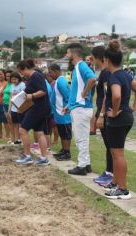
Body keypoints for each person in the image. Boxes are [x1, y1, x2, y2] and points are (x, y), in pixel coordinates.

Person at [101, 41, 135, 199]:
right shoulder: (127, 75)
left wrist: (114, 112)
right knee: (115, 153)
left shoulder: (114, 77)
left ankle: (123, 189)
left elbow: (116, 95)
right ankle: (115, 182)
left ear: (107, 60)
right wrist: (133, 106)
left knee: (118, 153)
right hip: (126, 117)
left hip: (118, 118)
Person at [65, 43, 97, 175]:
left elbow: (92, 79)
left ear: (71, 53)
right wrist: (70, 104)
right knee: (81, 137)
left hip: (81, 108)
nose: (67, 55)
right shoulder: (78, 67)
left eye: (67, 53)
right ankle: (87, 164)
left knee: (81, 138)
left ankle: (82, 165)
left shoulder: (81, 65)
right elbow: (75, 90)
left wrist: (84, 93)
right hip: (77, 106)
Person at [15, 59, 51, 166]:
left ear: (25, 68)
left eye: (21, 72)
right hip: (39, 107)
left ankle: (27, 156)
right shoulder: (32, 77)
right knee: (39, 133)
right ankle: (44, 158)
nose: (21, 75)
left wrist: (32, 96)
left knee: (22, 130)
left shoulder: (36, 76)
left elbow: (43, 91)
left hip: (38, 108)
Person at [89, 46, 114, 186]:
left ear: (98, 57)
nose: (92, 61)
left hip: (106, 113)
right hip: (104, 111)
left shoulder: (105, 73)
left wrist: (101, 115)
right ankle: (108, 171)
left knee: (111, 146)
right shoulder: (106, 72)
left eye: (92, 58)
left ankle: (110, 173)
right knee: (109, 145)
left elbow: (106, 95)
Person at [48, 64, 72, 161]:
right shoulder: (57, 81)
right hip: (58, 113)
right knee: (62, 133)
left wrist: (66, 108)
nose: (49, 74)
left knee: (66, 133)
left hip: (63, 113)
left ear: (56, 71)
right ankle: (63, 150)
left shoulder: (61, 81)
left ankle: (67, 152)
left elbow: (68, 97)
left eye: (50, 72)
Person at [8, 72, 25, 144]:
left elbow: (24, 97)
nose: (14, 81)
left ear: (19, 79)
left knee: (21, 125)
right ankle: (16, 139)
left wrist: (20, 108)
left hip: (21, 108)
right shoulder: (12, 86)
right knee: (15, 124)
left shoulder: (22, 85)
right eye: (12, 79)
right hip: (13, 109)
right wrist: (9, 108)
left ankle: (21, 139)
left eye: (15, 79)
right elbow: (11, 97)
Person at [3, 70, 13, 143]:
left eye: (9, 76)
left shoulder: (14, 84)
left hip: (11, 105)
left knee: (12, 122)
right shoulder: (6, 84)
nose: (8, 77)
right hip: (5, 104)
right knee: (8, 121)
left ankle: (14, 137)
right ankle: (11, 137)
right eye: (6, 76)